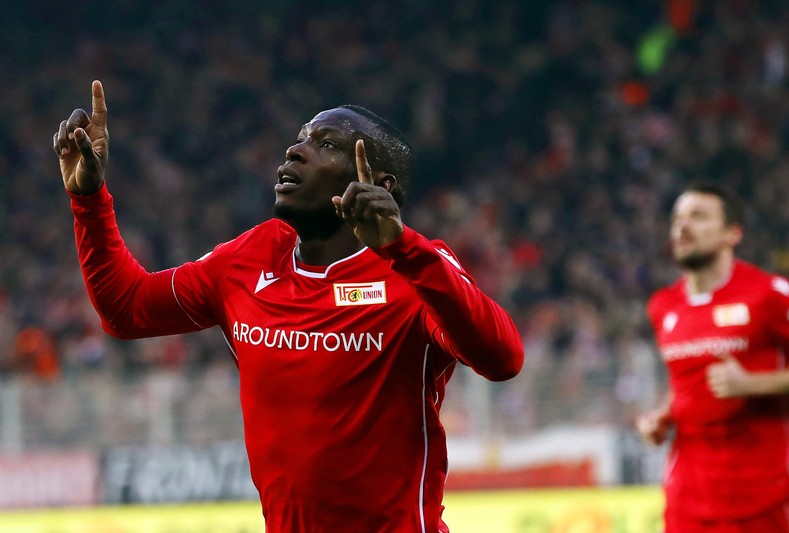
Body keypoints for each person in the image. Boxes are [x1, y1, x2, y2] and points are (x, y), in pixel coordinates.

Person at [53, 80, 524, 533]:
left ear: (378, 182)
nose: (295, 150)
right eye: (300, 138)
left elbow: (503, 359)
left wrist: (404, 248)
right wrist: (88, 200)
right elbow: (126, 308)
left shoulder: (416, 268)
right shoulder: (250, 257)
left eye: (327, 144)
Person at [635, 182, 789, 533]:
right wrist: (663, 413)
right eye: (677, 218)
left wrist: (752, 384)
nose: (682, 227)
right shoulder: (664, 306)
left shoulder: (771, 294)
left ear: (731, 234)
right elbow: (686, 380)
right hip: (686, 502)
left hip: (761, 501)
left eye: (698, 216)